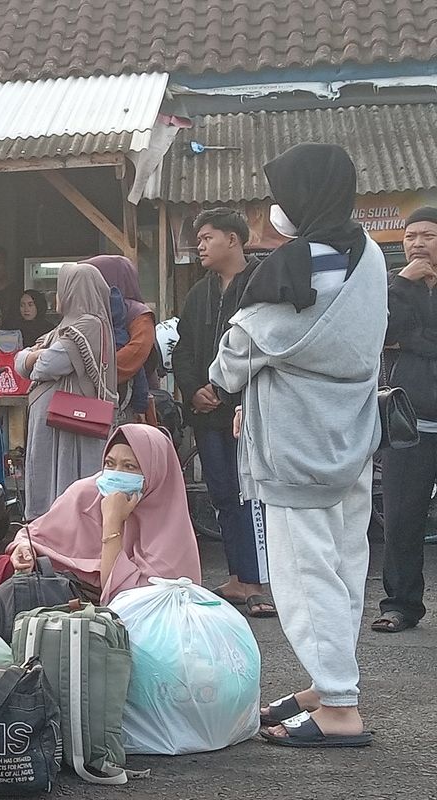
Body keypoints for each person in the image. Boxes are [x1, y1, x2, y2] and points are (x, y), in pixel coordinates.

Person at [210, 143, 384, 748]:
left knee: (303, 572)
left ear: (304, 194)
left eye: (282, 193)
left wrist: (221, 377)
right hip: (351, 429)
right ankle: (328, 682)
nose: (275, 206)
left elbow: (248, 346)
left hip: (297, 438)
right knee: (344, 564)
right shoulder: (368, 256)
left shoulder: (302, 263)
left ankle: (338, 706)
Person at [174, 207, 274, 618]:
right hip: (206, 413)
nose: (200, 245)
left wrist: (229, 394)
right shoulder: (200, 291)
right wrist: (194, 389)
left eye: (207, 237)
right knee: (222, 495)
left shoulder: (262, 283)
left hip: (247, 412)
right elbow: (182, 349)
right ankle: (238, 577)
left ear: (233, 239)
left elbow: (266, 345)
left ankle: (260, 582)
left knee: (254, 495)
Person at [0, 424, 201, 604]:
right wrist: (24, 548)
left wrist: (112, 522)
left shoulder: (170, 527)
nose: (116, 474)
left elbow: (124, 599)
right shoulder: (86, 494)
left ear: (156, 473)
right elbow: (34, 535)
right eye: (110, 464)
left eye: (130, 466)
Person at [14, 262, 117, 520]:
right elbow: (20, 363)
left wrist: (32, 358)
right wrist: (33, 358)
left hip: (72, 424)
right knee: (52, 481)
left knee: (69, 482)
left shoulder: (89, 325)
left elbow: (48, 365)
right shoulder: (63, 328)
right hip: (55, 423)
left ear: (75, 290)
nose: (58, 296)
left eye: (62, 288)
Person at [375, 206, 437, 634]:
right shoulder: (396, 286)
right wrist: (401, 285)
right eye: (410, 236)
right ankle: (400, 605)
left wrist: (412, 342)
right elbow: (380, 334)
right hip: (410, 423)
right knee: (400, 518)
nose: (416, 243)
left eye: (427, 235)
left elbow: (405, 340)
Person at [85, 255, 155, 421]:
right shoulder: (93, 310)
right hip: (94, 398)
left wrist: (91, 370)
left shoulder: (139, 314)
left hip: (129, 400)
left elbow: (136, 353)